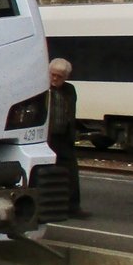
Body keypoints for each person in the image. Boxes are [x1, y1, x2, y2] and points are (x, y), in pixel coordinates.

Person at [48, 58, 89, 218]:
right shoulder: (43, 89)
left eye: (60, 76)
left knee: (71, 172)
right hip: (48, 138)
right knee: (48, 172)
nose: (56, 79)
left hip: (64, 137)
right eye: (53, 75)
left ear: (66, 77)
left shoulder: (69, 90)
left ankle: (73, 207)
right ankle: (49, 207)